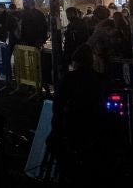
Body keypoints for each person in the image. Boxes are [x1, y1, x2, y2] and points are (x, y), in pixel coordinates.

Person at [48, 44, 105, 182]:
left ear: (76, 62)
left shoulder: (69, 79)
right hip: (97, 127)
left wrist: (56, 128)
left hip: (74, 127)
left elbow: (58, 105)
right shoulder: (100, 79)